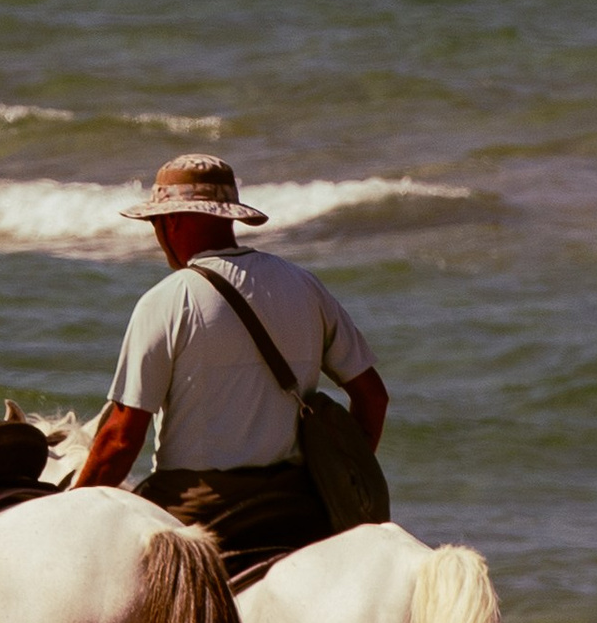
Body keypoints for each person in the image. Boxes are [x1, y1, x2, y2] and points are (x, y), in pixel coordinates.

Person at [72, 151, 388, 558]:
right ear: (228, 217)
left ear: (172, 221)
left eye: (155, 222)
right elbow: (373, 397)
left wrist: (68, 511)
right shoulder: (305, 286)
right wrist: (340, 479)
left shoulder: (167, 300)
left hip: (197, 509)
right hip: (296, 502)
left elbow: (119, 439)